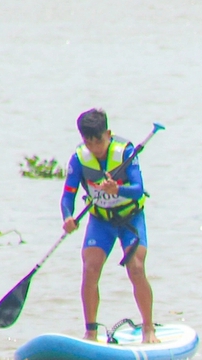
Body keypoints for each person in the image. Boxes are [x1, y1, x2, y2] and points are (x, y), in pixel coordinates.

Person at [61, 108, 155, 344]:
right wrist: (68, 217)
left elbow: (137, 189)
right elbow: (67, 195)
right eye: (88, 142)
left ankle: (149, 329)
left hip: (130, 219)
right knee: (90, 269)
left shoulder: (126, 152)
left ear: (108, 134)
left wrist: (118, 189)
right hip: (100, 221)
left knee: (135, 268)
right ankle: (91, 332)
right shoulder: (79, 159)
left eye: (99, 141)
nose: (95, 148)